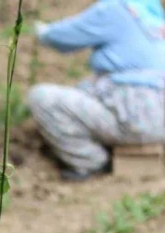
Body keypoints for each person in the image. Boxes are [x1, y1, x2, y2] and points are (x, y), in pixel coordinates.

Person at [28, 0, 165, 180]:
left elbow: (62, 37)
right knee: (86, 86)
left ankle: (92, 161)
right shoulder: (152, 12)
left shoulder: (115, 7)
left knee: (42, 98)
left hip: (134, 116)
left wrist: (39, 31)